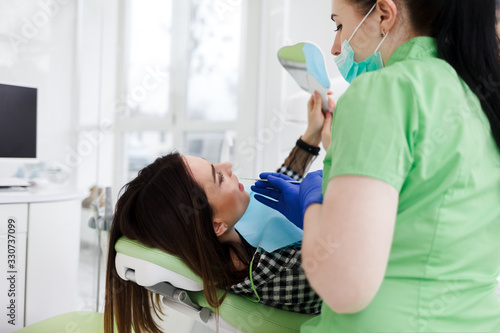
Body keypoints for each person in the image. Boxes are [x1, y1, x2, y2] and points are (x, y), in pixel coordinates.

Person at [253, 0, 500, 331]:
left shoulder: (385, 91)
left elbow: (345, 287)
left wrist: (314, 196)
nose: (336, 46)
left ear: (383, 14)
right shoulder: (480, 94)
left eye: (339, 25)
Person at [103, 91, 334, 333]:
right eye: (219, 177)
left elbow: (275, 193)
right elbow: (358, 254)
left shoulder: (227, 243)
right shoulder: (277, 273)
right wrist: (323, 195)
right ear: (216, 225)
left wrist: (310, 138)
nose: (229, 166)